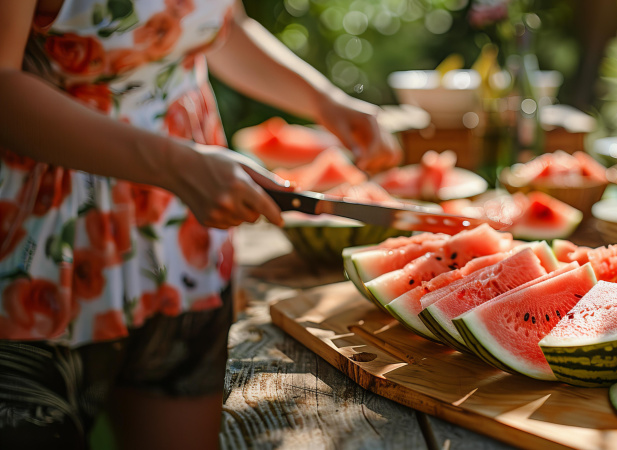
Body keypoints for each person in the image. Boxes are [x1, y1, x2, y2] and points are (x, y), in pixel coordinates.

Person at [0, 1, 400, 449]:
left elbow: (222, 22)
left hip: (183, 247)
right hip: (40, 253)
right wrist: (178, 166)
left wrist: (325, 100)